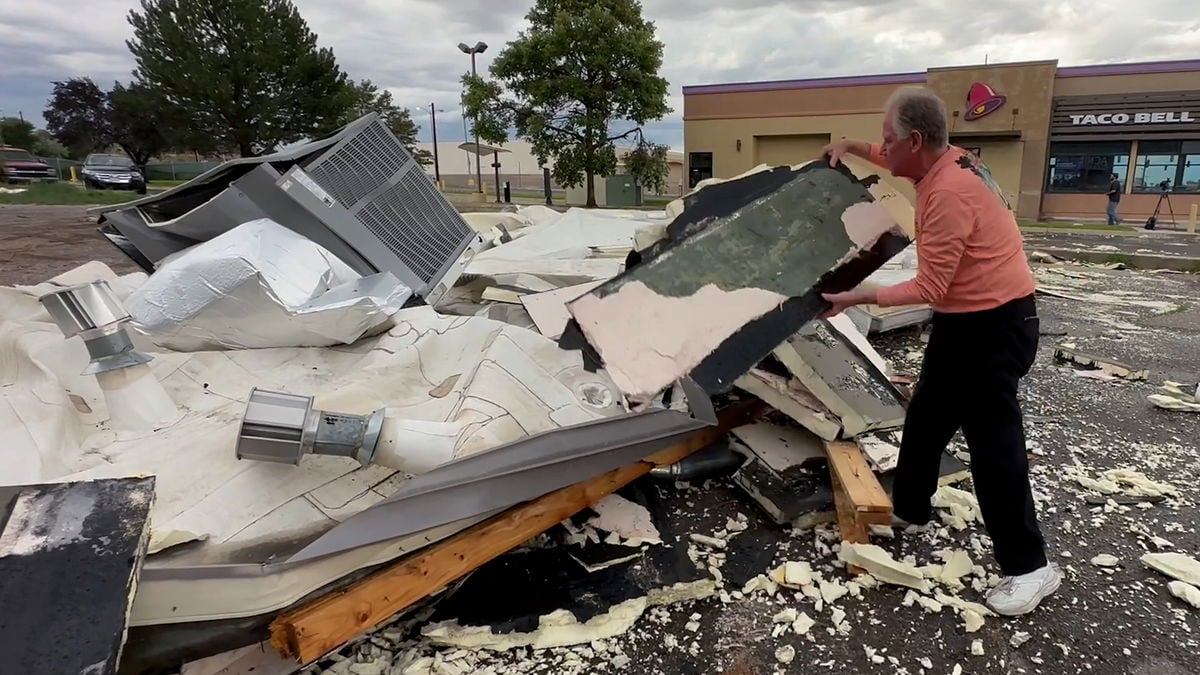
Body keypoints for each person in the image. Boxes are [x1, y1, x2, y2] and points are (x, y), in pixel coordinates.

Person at [819, 86, 1060, 617]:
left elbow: (929, 287)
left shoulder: (950, 190)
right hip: (965, 318)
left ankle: (1031, 567)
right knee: (928, 414)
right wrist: (848, 145)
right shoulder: (943, 159)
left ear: (918, 140)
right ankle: (912, 509)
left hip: (996, 325)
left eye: (889, 140)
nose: (884, 150)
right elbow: (886, 153)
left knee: (994, 443)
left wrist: (855, 297)